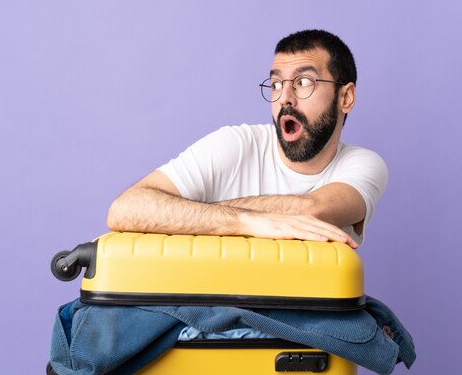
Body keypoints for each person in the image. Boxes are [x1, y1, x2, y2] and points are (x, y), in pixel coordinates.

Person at [106, 29, 387, 248]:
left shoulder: (363, 164)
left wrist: (193, 216)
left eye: (303, 83)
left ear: (345, 97)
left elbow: (311, 210)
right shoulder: (235, 144)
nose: (284, 98)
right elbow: (124, 209)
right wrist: (244, 222)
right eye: (276, 84)